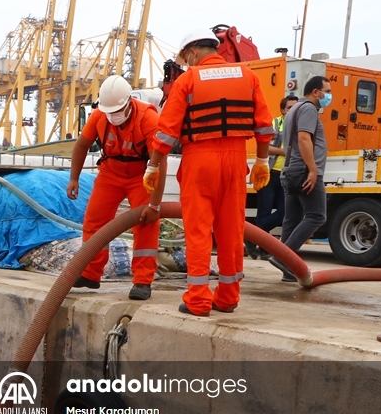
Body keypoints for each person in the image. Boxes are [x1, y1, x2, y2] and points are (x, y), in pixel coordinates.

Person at [145, 30, 273, 317]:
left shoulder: (187, 80)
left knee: (199, 231)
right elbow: (264, 125)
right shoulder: (248, 76)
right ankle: (228, 297)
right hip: (237, 159)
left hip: (199, 160)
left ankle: (198, 300)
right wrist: (262, 160)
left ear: (191, 53)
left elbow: (167, 133)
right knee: (231, 230)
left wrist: (154, 165)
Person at [67, 74, 166, 300]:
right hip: (110, 172)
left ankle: (142, 280)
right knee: (94, 221)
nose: (113, 116)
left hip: (142, 174)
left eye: (117, 111)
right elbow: (81, 145)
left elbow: (160, 162)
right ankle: (91, 274)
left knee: (146, 223)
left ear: (129, 102)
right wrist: (74, 178)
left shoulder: (148, 118)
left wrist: (155, 205)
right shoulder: (100, 115)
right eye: (108, 112)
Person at [269, 75, 332, 282]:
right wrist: (313, 170)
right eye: (327, 91)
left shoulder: (293, 109)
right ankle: (285, 258)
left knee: (292, 220)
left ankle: (288, 271)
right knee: (316, 216)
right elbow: (304, 139)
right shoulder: (308, 109)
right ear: (316, 92)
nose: (329, 96)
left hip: (290, 170)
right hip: (303, 169)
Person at [247, 95, 298, 260]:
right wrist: (285, 151)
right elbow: (265, 148)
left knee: (284, 213)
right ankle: (263, 249)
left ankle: (251, 234)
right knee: (264, 211)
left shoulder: (300, 126)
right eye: (290, 107)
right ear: (283, 110)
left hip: (287, 176)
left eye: (296, 108)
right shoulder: (274, 123)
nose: (293, 111)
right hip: (269, 174)